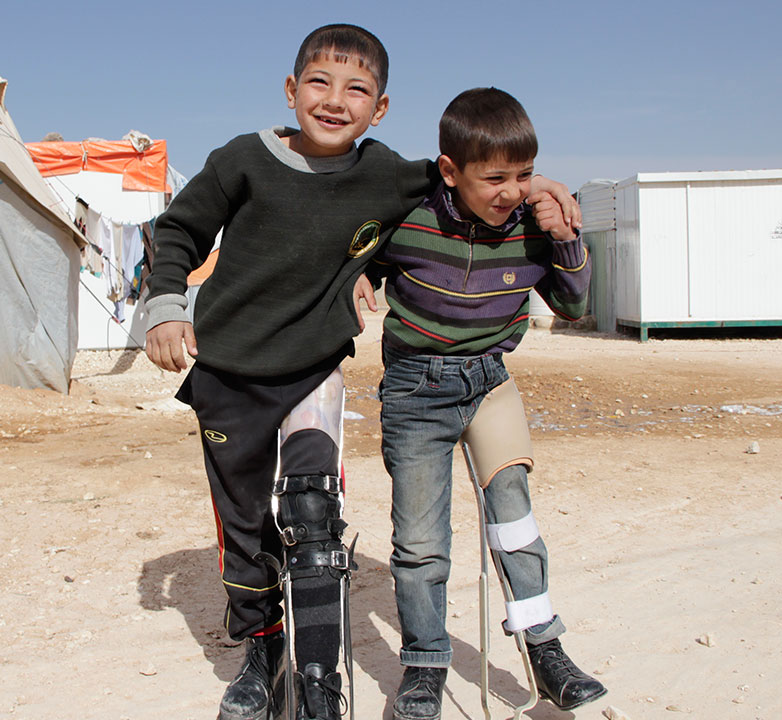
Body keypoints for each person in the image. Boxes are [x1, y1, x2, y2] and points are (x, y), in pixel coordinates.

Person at [144, 25, 578, 719]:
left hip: (312, 372)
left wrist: (535, 187)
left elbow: (470, 176)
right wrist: (166, 307)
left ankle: (321, 681)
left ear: (379, 109)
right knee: (244, 522)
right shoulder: (241, 160)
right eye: (319, 82)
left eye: (357, 89)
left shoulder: (386, 173)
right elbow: (179, 230)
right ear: (292, 90)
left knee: (313, 514)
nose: (335, 100)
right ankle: (262, 648)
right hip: (228, 374)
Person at [358, 87, 607, 720]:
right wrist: (354, 271)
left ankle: (545, 652)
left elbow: (575, 307)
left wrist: (566, 239)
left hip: (490, 383)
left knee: (515, 522)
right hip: (416, 392)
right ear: (450, 171)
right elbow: (354, 250)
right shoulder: (409, 216)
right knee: (420, 542)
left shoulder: (533, 222)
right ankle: (424, 666)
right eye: (494, 178)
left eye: (524, 175)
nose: (512, 191)